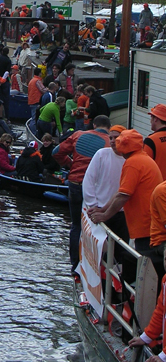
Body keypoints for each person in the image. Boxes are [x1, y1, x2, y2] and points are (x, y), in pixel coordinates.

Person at [88, 129, 163, 259]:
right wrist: (103, 209)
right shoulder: (142, 158)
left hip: (145, 225)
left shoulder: (133, 163)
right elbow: (121, 191)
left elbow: (123, 195)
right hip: (148, 223)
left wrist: (104, 216)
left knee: (144, 263)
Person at [53, 115, 111, 273]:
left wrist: (70, 164)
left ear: (93, 124)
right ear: (109, 128)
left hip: (75, 183)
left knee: (76, 225)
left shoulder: (78, 135)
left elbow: (56, 152)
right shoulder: (109, 143)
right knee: (96, 226)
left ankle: (74, 265)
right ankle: (95, 265)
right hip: (95, 189)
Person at [82, 125, 128, 243]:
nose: (112, 141)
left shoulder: (129, 159)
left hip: (123, 212)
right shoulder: (101, 154)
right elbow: (88, 180)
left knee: (120, 246)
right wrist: (93, 205)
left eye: (116, 138)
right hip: (100, 208)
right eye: (110, 138)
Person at [144, 104, 166, 179]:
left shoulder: (151, 141)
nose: (150, 121)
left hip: (158, 188)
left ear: (156, 119)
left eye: (151, 117)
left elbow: (145, 167)